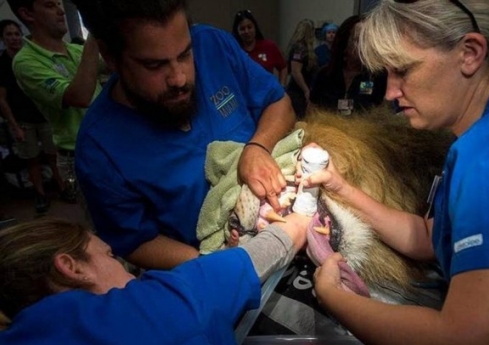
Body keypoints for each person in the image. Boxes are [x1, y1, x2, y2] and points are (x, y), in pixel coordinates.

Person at [307, 0, 489, 343]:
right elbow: (429, 238)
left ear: (469, 53)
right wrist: (341, 186)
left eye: (403, 71)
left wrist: (334, 296)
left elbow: (476, 337)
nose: (391, 93)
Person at [73, 0, 296, 270]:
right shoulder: (99, 148)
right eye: (154, 65)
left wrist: (258, 146)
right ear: (111, 58)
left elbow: (278, 102)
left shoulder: (213, 46)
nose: (179, 78)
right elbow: (135, 241)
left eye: (185, 54)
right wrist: (215, 265)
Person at [0, 213, 310, 344]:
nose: (132, 271)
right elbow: (257, 257)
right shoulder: (146, 321)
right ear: (72, 267)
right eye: (110, 256)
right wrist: (301, 217)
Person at [7, 0, 102, 203]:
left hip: (108, 144)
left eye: (59, 4)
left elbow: (119, 65)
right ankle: (41, 196)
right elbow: (80, 96)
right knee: (110, 226)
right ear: (27, 13)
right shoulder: (25, 62)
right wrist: (94, 30)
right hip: (81, 154)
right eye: (50, 6)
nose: (60, 11)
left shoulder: (76, 51)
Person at [0, 19, 65, 213]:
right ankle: (40, 194)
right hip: (22, 120)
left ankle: (63, 188)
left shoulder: (31, 58)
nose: (14, 38)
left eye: (16, 34)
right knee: (32, 159)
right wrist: (14, 126)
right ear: (3, 39)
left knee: (53, 155)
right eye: (9, 35)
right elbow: (1, 99)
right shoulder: (3, 64)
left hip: (44, 116)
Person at [310, 15, 387, 116]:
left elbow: (383, 113)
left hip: (363, 130)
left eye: (368, 40)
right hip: (327, 129)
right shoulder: (325, 74)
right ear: (345, 42)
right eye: (358, 40)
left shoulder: (378, 76)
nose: (364, 46)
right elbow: (312, 110)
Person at [232, 10, 288, 86]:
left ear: (255, 27)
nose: (247, 31)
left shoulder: (269, 46)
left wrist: (282, 88)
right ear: (237, 31)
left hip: (268, 95)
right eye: (242, 29)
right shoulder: (234, 51)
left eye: (249, 27)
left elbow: (283, 68)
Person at [286, 18, 318, 119]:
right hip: (297, 91)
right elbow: (296, 72)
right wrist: (306, 90)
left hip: (302, 90)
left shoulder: (303, 48)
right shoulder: (299, 48)